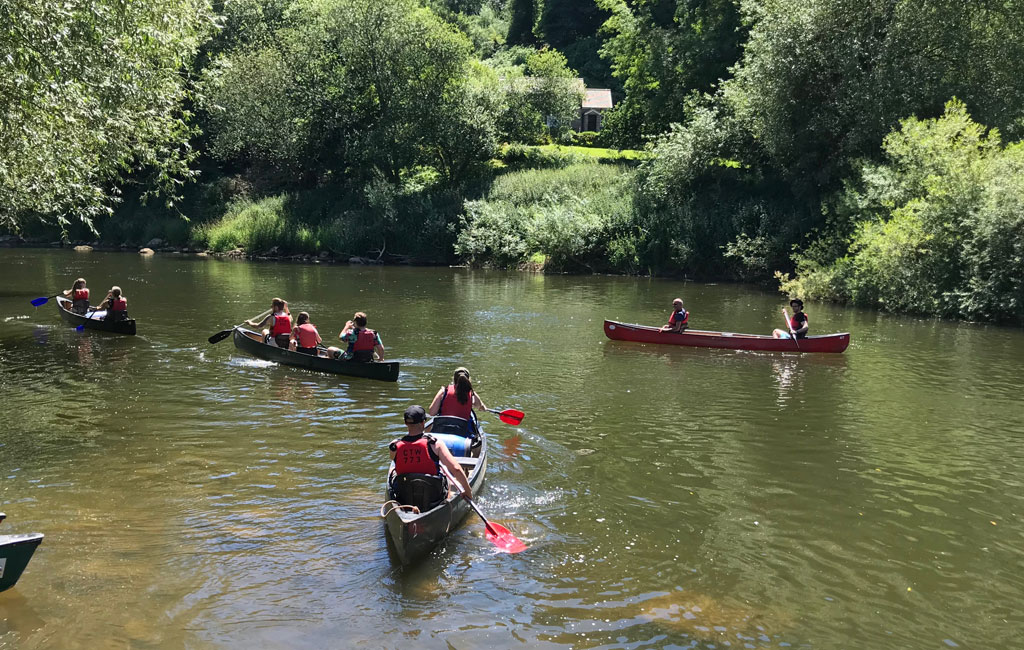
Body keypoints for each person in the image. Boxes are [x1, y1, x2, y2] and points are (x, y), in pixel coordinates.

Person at [389, 405, 472, 501]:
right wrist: (467, 491)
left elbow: (395, 461)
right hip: (433, 497)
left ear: (405, 423)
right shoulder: (435, 444)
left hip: (404, 496)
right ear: (423, 423)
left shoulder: (394, 446)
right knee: (446, 475)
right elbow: (456, 469)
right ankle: (446, 503)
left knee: (393, 472)